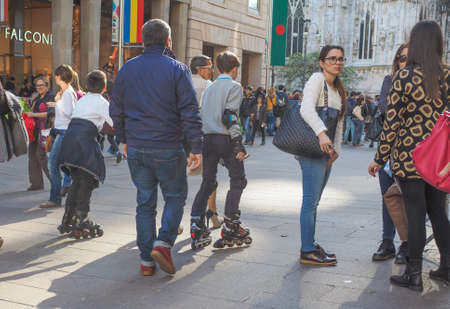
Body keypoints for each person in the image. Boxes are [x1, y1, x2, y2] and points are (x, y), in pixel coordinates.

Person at [110, 19, 203, 276]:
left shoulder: (127, 68)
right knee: (175, 196)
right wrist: (196, 146)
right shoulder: (177, 68)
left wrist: (123, 139)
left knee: (145, 202)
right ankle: (163, 243)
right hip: (167, 146)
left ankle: (146, 261)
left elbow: (116, 108)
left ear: (143, 41)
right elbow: (189, 110)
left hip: (137, 147)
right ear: (168, 41)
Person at [369, 21, 449, 291]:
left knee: (415, 214)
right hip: (439, 158)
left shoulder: (404, 76)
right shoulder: (447, 74)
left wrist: (379, 159)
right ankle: (447, 268)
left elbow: (391, 123)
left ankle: (413, 274)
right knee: (439, 212)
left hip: (410, 156)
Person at [190, 51, 252, 251]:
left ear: (217, 69)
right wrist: (238, 144)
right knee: (238, 179)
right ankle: (231, 225)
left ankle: (196, 222)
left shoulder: (210, 88)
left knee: (208, 182)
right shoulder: (234, 87)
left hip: (207, 139)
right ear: (235, 69)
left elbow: (200, 115)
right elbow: (230, 116)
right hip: (225, 138)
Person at [298, 45, 347, 266]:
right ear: (322, 61)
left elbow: (339, 123)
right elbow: (306, 109)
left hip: (326, 152)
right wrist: (321, 134)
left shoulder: (337, 88)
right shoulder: (317, 79)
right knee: (310, 201)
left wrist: (335, 150)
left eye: (341, 59)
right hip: (312, 149)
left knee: (315, 201)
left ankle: (311, 243)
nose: (337, 62)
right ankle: (307, 250)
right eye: (332, 58)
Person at [57, 70, 112, 239]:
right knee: (87, 181)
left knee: (77, 181)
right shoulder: (102, 102)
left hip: (70, 141)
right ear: (104, 87)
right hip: (84, 143)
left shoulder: (83, 100)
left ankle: (68, 218)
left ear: (87, 86)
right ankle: (82, 219)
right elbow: (114, 123)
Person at [372, 43, 409, 265]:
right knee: (388, 196)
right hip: (390, 150)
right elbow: (388, 109)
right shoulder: (390, 81)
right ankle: (387, 241)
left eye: (408, 58)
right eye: (400, 59)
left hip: (416, 154)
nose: (403, 63)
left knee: (410, 200)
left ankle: (407, 243)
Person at [189, 55, 223, 229]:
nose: (211, 71)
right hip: (204, 136)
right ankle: (213, 214)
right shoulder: (209, 86)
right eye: (209, 68)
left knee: (175, 180)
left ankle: (174, 219)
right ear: (201, 69)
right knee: (209, 177)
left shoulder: (183, 83)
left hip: (181, 136)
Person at [40, 65, 76, 208]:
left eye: (56, 75)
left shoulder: (67, 92)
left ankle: (55, 198)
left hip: (64, 132)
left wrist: (57, 103)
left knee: (52, 164)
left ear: (60, 76)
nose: (54, 77)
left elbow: (70, 112)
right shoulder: (66, 91)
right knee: (61, 163)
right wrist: (56, 103)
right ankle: (68, 184)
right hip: (62, 131)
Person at [24, 76, 53, 191]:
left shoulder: (51, 97)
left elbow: (50, 113)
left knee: (41, 156)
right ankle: (36, 183)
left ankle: (56, 183)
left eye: (42, 85)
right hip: (34, 131)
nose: (39, 87)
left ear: (47, 85)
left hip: (45, 131)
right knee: (32, 156)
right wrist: (26, 105)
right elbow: (32, 112)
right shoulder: (37, 97)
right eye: (37, 85)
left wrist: (33, 115)